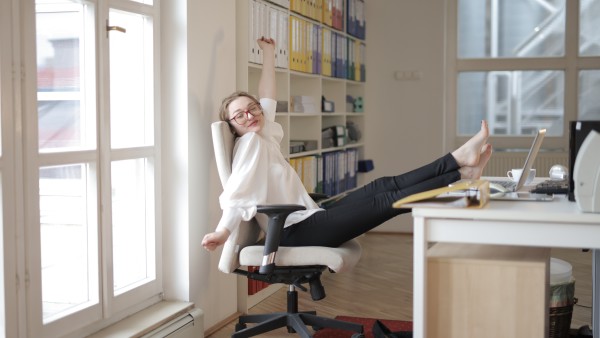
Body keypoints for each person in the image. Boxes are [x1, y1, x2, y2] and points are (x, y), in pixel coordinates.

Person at [202, 37, 492, 251]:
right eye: (240, 115)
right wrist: (222, 233)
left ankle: (461, 168)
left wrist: (268, 53)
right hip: (296, 233)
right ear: (233, 126)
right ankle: (458, 171)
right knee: (386, 200)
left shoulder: (262, 133)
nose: (250, 115)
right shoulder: (250, 143)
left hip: (309, 216)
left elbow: (267, 97)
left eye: (252, 108)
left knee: (382, 186)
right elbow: (237, 195)